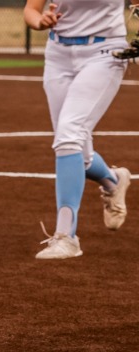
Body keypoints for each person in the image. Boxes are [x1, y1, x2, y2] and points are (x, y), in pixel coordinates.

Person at [24, 0, 134, 260]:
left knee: (68, 136)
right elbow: (31, 10)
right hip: (58, 55)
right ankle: (113, 181)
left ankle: (66, 237)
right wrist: (40, 21)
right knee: (76, 152)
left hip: (104, 52)